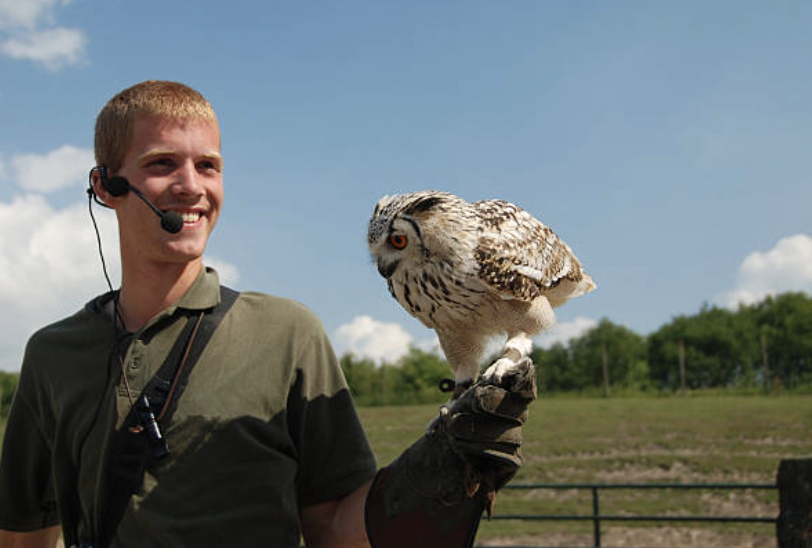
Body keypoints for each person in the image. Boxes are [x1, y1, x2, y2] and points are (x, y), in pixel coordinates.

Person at [0, 81, 534, 548]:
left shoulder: (287, 334)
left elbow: (333, 529)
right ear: (105, 186)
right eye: (162, 163)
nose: (192, 185)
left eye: (208, 165)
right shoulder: (52, 355)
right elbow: (22, 533)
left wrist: (438, 465)